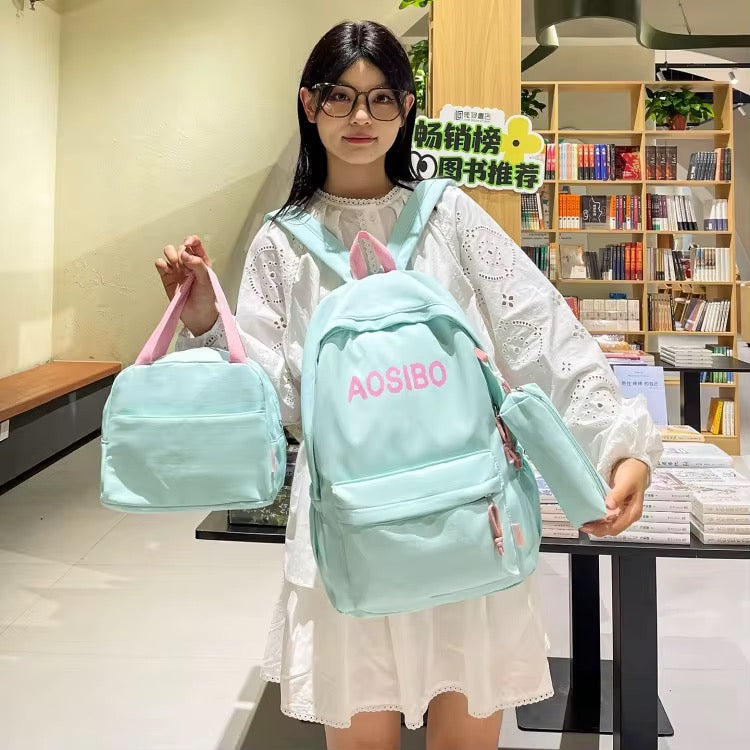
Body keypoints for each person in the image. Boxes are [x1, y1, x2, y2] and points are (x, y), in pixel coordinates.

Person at [154, 20, 661, 750]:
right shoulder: (281, 242)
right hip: (348, 529)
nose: (360, 117)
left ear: (406, 107)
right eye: (340, 97)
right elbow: (279, 402)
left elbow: (538, 333)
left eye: (381, 98)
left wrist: (619, 444)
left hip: (466, 516)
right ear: (309, 104)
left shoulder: (448, 216)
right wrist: (206, 320)